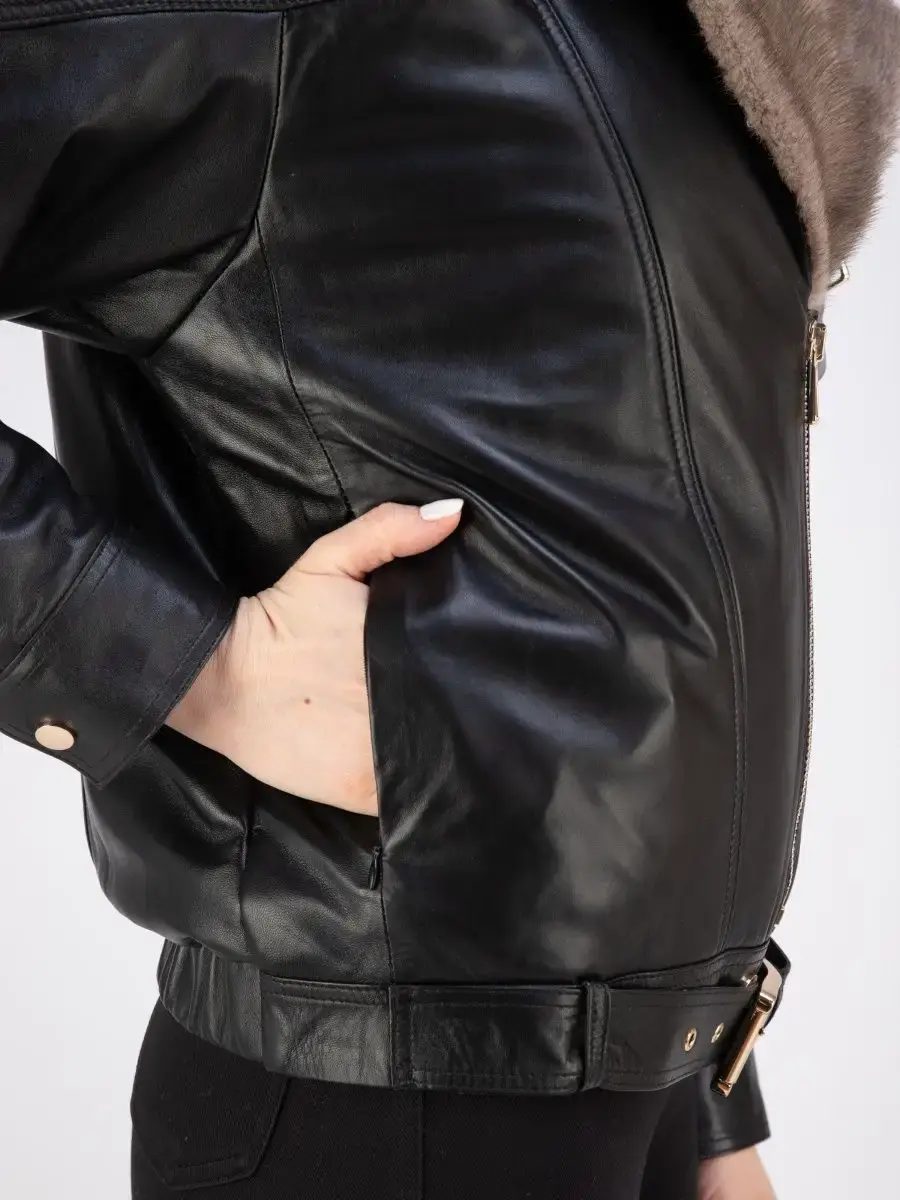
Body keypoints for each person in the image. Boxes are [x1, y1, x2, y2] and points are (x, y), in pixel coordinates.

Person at [0, 0, 897, 1196]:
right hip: (373, 1104)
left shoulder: (718, 40)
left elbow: (650, 546)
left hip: (650, 1090)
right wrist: (194, 665)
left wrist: (711, 1095)